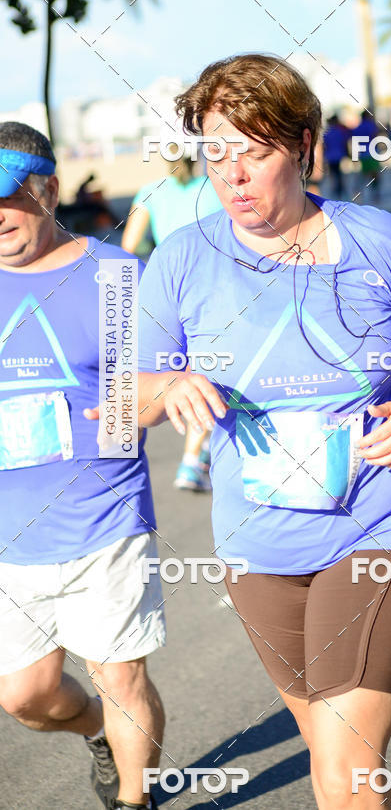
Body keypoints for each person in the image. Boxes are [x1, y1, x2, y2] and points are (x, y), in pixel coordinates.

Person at [132, 53, 391, 809]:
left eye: (254, 151)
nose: (232, 174)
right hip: (257, 545)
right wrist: (168, 385)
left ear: (304, 147)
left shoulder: (378, 240)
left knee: (344, 773)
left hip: (381, 524)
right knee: (336, 763)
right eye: (215, 151)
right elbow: (125, 394)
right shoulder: (180, 260)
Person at [0, 122, 165, 810]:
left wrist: (136, 405)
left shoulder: (115, 277)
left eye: (10, 195)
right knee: (25, 696)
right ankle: (97, 730)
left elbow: (158, 383)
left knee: (120, 678)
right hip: (11, 534)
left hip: (103, 514)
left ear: (49, 189)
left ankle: (133, 798)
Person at [121, 150, 223, 492]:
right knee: (209, 373)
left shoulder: (150, 191)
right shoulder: (214, 187)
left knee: (189, 375)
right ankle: (194, 459)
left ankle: (197, 456)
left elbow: (129, 244)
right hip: (214, 287)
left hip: (169, 289)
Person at [351, 109, 381, 200]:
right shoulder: (371, 125)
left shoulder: (357, 128)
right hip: (373, 153)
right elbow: (375, 136)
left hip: (363, 154)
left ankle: (358, 192)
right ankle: (375, 193)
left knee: (364, 175)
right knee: (375, 174)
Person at [322, 114, 348, 199]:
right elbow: (344, 143)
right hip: (339, 155)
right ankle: (340, 191)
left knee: (333, 175)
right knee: (339, 174)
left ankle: (335, 191)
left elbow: (324, 146)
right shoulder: (339, 132)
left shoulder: (327, 133)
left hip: (330, 157)